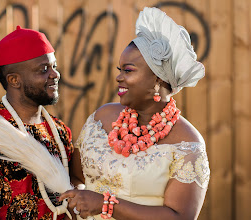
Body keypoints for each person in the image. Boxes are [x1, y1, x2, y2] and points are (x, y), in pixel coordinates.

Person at [60, 7, 210, 220]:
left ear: (158, 78)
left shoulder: (187, 143)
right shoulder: (101, 118)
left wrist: (106, 205)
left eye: (128, 70)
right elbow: (75, 177)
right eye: (119, 70)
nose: (119, 77)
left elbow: (180, 217)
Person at [0, 26, 74, 219]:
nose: (55, 74)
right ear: (14, 80)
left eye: (54, 66)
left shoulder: (59, 131)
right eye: (43, 69)